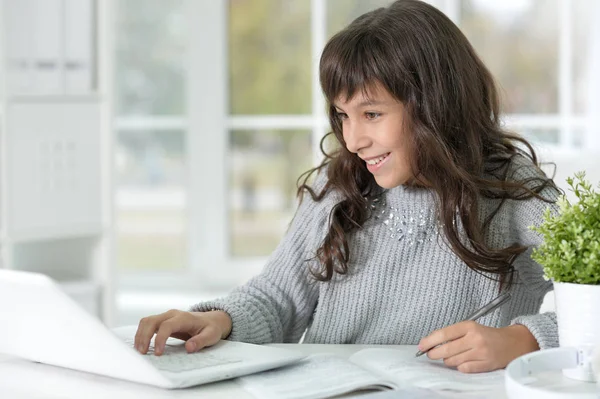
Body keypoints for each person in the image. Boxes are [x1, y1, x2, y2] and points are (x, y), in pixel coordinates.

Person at [134, 0, 560, 373]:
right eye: (342, 115)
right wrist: (221, 319)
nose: (353, 140)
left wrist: (524, 340)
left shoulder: (511, 190)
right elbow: (278, 298)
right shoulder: (340, 182)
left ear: (434, 104)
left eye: (372, 114)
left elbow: (593, 308)